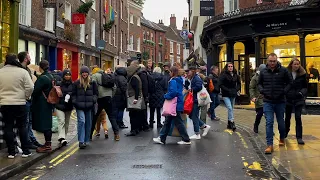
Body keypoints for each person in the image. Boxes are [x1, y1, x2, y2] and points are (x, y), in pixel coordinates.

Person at [0, 54, 34, 158]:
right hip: (20, 103)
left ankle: (11, 152)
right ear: (16, 61)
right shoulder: (22, 72)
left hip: (5, 103)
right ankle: (25, 151)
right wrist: (26, 96)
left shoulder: (0, 72)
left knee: (8, 127)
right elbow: (31, 87)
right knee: (22, 127)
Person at [258, 53, 293, 154]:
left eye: (274, 61)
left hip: (280, 101)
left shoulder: (283, 70)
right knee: (269, 122)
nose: (272, 63)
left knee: (281, 123)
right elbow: (259, 83)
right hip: (268, 101)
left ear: (277, 60)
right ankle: (269, 145)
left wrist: (284, 91)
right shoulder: (263, 72)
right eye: (270, 61)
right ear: (267, 61)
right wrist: (262, 91)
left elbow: (290, 83)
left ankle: (282, 137)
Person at [153, 66, 191, 145]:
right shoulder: (179, 80)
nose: (169, 73)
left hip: (174, 105)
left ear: (173, 72)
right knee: (168, 121)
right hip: (177, 104)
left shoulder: (173, 81)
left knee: (178, 122)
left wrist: (165, 96)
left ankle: (186, 139)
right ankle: (162, 138)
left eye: (170, 72)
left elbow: (173, 92)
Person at [17, 51, 42, 149]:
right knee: (25, 122)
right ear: (25, 59)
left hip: (28, 99)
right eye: (29, 57)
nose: (30, 59)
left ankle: (32, 140)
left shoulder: (27, 69)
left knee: (29, 121)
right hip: (24, 99)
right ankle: (27, 142)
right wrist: (27, 96)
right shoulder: (20, 70)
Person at [72, 66, 98, 149]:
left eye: (86, 72)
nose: (84, 74)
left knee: (88, 123)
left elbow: (96, 93)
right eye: (83, 72)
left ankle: (86, 140)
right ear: (81, 73)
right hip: (79, 106)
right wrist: (75, 102)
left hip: (89, 106)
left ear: (88, 73)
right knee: (82, 121)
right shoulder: (76, 83)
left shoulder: (92, 82)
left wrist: (93, 100)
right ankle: (81, 141)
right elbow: (73, 94)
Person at [31, 60, 54, 153]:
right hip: (49, 102)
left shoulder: (42, 78)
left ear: (40, 67)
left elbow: (35, 91)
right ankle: (48, 143)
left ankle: (47, 145)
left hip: (42, 104)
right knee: (48, 123)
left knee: (45, 125)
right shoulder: (50, 76)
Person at [91, 67, 120, 141]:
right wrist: (110, 95)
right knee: (111, 117)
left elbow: (93, 87)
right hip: (108, 98)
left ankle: (89, 135)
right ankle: (116, 134)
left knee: (95, 117)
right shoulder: (107, 76)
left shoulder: (94, 76)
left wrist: (95, 96)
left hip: (99, 98)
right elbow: (114, 87)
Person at [285, 58, 307, 145]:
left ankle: (299, 137)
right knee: (287, 117)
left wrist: (301, 93)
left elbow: (305, 87)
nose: (296, 66)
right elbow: (284, 84)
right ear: (291, 65)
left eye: (298, 64)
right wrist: (285, 92)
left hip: (298, 98)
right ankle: (285, 132)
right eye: (295, 64)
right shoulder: (287, 73)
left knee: (298, 117)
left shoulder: (302, 74)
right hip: (288, 98)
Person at [187, 66, 211, 140]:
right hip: (194, 100)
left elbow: (199, 86)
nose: (188, 73)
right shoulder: (193, 78)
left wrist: (190, 89)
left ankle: (197, 134)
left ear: (193, 71)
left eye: (189, 71)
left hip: (196, 100)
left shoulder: (196, 78)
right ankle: (204, 126)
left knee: (194, 116)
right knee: (191, 115)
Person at [219, 62, 241, 131]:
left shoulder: (235, 75)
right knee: (229, 107)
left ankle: (229, 124)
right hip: (226, 94)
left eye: (231, 66)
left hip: (233, 94)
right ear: (227, 67)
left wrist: (236, 89)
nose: (230, 67)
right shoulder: (223, 75)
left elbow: (239, 84)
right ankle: (232, 121)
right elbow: (221, 84)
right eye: (229, 66)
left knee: (231, 108)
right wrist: (227, 90)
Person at [125, 60, 145, 136]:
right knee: (136, 115)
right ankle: (136, 129)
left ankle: (133, 130)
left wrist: (136, 98)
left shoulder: (133, 78)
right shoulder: (137, 76)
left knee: (132, 115)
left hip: (133, 98)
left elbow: (136, 89)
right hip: (137, 97)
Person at [55, 69, 73, 146]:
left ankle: (63, 138)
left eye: (69, 75)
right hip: (59, 105)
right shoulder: (59, 84)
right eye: (66, 75)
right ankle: (61, 137)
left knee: (67, 123)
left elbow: (75, 94)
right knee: (61, 121)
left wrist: (70, 95)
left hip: (68, 106)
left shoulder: (73, 84)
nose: (67, 76)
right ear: (63, 76)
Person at [91, 67, 109, 138]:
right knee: (104, 120)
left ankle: (97, 131)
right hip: (104, 103)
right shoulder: (104, 78)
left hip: (98, 104)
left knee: (97, 120)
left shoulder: (94, 78)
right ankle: (106, 130)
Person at [249, 64, 266, 133]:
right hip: (259, 98)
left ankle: (269, 128)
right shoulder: (255, 78)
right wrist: (252, 97)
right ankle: (256, 125)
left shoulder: (268, 76)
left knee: (268, 114)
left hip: (267, 98)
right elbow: (251, 88)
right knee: (260, 113)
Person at [137, 64, 150, 131]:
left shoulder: (142, 75)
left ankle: (144, 125)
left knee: (142, 111)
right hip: (143, 95)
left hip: (142, 95)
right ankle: (144, 125)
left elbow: (144, 86)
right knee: (143, 111)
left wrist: (145, 96)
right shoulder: (145, 74)